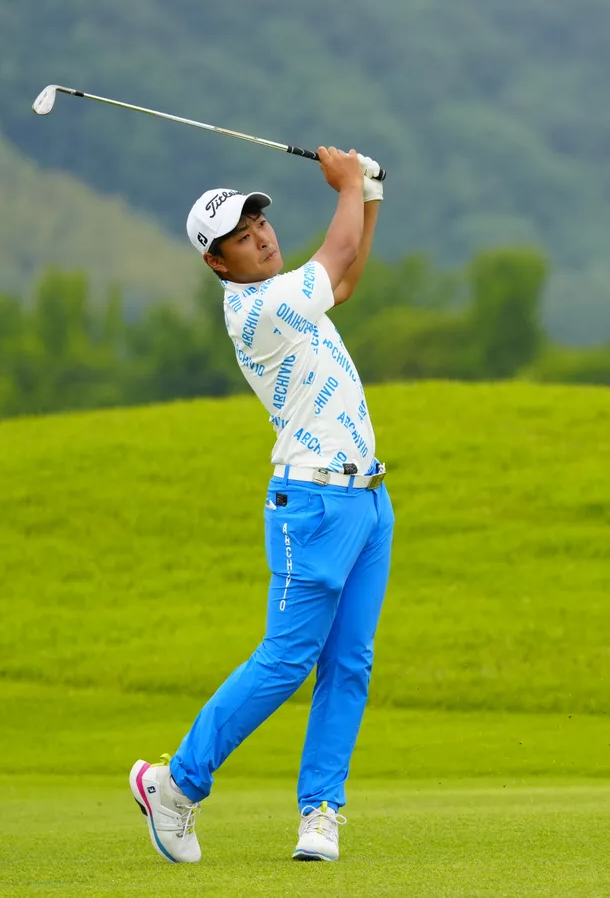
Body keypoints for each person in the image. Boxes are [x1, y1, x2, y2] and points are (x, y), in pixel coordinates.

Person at [128, 147, 392, 863]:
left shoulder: (289, 292)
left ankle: (320, 810)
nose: (262, 238)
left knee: (349, 662)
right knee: (286, 659)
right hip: (312, 503)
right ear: (218, 263)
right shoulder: (260, 308)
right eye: (241, 238)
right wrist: (347, 186)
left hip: (369, 500)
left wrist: (367, 195)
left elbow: (346, 277)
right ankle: (175, 785)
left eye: (260, 224)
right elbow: (336, 255)